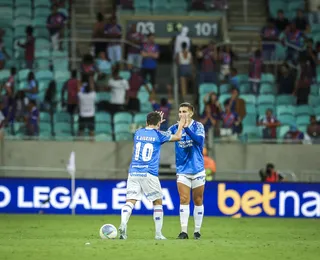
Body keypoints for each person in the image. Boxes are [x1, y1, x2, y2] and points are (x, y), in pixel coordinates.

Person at [119, 111, 186, 240]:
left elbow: (148, 130)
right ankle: (158, 234)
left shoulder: (138, 133)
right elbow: (178, 137)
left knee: (130, 201)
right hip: (149, 172)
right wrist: (181, 125)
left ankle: (123, 224)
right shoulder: (158, 135)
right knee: (157, 201)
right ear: (159, 123)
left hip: (133, 171)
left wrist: (157, 121)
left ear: (146, 122)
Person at [168, 102, 205, 240]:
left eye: (184, 111)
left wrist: (186, 129)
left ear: (191, 113)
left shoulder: (198, 126)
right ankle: (183, 231)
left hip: (197, 169)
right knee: (184, 199)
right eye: (180, 111)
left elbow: (199, 141)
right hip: (183, 169)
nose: (181, 114)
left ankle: (197, 231)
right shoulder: (174, 128)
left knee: (198, 200)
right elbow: (165, 137)